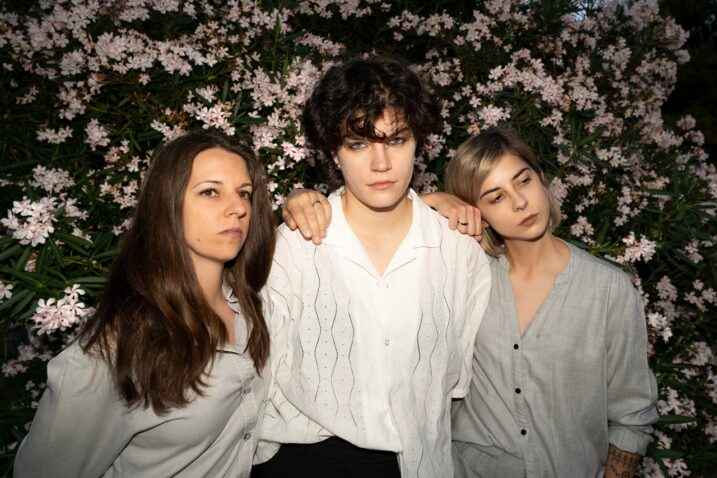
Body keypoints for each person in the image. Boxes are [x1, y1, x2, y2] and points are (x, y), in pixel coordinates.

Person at [284, 125, 659, 477]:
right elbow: (398, 226)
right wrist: (302, 198)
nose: (520, 202)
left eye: (523, 181)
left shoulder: (607, 288)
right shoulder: (463, 272)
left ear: (542, 178)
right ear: (479, 212)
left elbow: (632, 417)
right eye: (496, 197)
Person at [252, 56, 491, 477]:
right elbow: (260, 374)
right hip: (303, 462)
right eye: (358, 144)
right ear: (334, 151)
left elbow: (454, 384)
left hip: (418, 464)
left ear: (418, 142)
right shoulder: (293, 247)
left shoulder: (459, 252)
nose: (381, 164)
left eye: (396, 140)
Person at [14, 131, 276, 478]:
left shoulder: (253, 309)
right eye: (210, 192)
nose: (239, 208)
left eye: (244, 193)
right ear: (167, 204)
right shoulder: (113, 352)